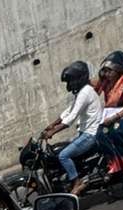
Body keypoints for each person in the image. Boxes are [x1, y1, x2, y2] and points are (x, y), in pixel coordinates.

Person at [41, 61, 104, 196]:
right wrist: (52, 124)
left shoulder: (85, 92)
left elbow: (72, 116)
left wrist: (53, 131)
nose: (69, 85)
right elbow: (69, 111)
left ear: (78, 79)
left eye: (70, 81)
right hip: (84, 132)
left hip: (90, 135)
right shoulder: (82, 92)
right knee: (62, 148)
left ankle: (77, 182)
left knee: (63, 155)